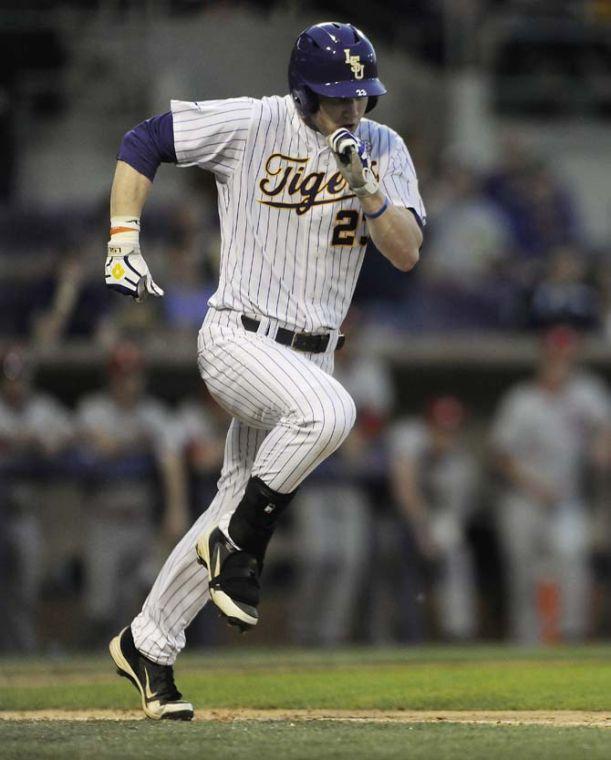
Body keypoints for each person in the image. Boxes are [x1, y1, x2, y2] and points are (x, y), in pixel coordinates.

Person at [104, 21, 424, 720]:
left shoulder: (382, 147)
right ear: (302, 90)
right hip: (239, 338)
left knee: (230, 502)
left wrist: (367, 189)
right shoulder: (253, 123)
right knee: (330, 413)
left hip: (313, 353)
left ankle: (147, 642)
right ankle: (241, 547)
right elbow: (145, 140)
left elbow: (404, 252)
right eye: (337, 96)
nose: (352, 109)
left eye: (361, 94)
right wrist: (123, 236)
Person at [491, 326, 611, 644]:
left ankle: (571, 635)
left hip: (566, 498)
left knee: (573, 561)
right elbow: (501, 457)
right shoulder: (522, 400)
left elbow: (604, 433)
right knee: (523, 570)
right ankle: (526, 639)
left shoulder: (587, 394)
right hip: (524, 497)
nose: (559, 361)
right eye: (554, 355)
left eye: (565, 356)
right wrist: (534, 485)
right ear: (544, 358)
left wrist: (600, 447)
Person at [76, 342, 188, 647]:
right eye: (123, 375)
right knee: (99, 608)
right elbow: (101, 445)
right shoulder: (93, 408)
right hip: (104, 518)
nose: (129, 382)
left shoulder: (154, 413)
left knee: (130, 608)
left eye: (135, 374)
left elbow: (171, 458)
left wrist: (176, 509)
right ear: (111, 378)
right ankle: (81, 662)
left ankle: (116, 673)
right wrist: (133, 441)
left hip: (140, 518)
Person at [389, 396, 479, 641]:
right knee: (400, 554)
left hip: (432, 524)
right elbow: (404, 489)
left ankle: (457, 633)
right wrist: (423, 531)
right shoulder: (410, 435)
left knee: (456, 556)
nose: (445, 435)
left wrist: (434, 536)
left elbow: (454, 517)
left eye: (451, 429)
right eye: (440, 428)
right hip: (391, 517)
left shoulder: (460, 462)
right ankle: (406, 636)